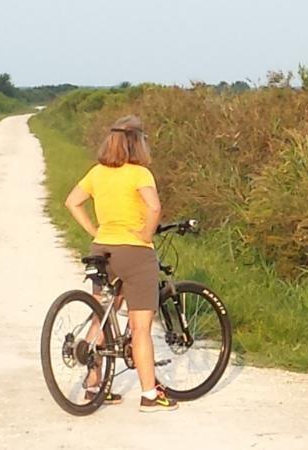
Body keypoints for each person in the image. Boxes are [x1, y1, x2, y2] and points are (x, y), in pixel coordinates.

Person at [64, 115, 178, 412]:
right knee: (140, 328)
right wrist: (145, 232)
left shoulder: (97, 172)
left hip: (102, 249)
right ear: (137, 142)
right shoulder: (139, 173)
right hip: (134, 252)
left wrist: (93, 231)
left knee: (101, 313)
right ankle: (150, 395)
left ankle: (93, 386)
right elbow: (154, 207)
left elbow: (72, 202)